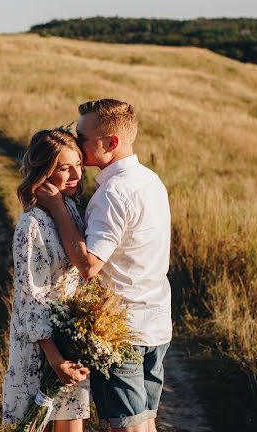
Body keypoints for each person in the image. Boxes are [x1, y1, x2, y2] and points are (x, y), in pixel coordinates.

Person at [37, 99, 172, 432]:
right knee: (145, 422)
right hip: (157, 322)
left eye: (82, 137)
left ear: (111, 143)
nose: (76, 143)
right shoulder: (151, 180)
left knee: (127, 427)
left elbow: (88, 265)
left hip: (124, 329)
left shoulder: (114, 193)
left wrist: (56, 207)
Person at [2, 129, 91, 432]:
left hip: (68, 340)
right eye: (65, 168)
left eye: (79, 163)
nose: (77, 173)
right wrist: (54, 358)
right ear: (44, 172)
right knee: (36, 424)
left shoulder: (68, 208)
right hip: (42, 347)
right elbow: (31, 300)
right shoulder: (31, 225)